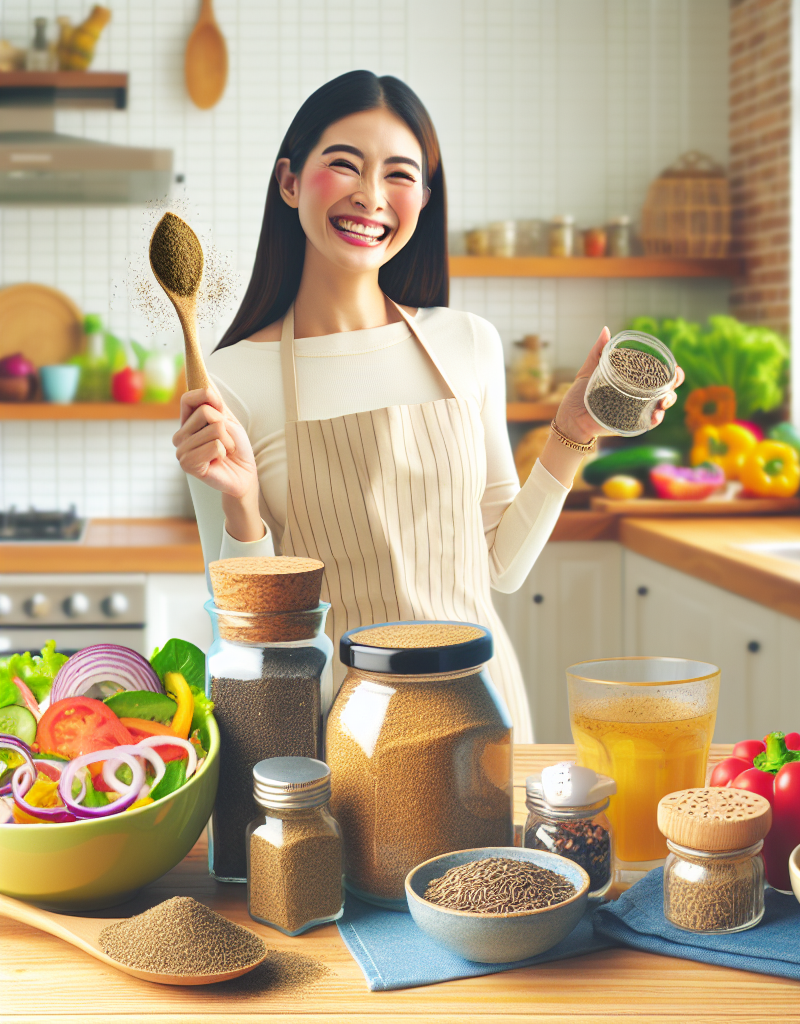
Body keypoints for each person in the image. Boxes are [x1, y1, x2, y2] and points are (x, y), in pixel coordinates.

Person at [174, 71, 682, 741]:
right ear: (290, 182)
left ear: (424, 198)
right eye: (345, 165)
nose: (371, 196)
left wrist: (571, 430)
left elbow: (501, 566)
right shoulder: (231, 382)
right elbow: (247, 623)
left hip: (484, 713)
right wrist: (240, 505)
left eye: (399, 175)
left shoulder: (467, 344)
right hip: (343, 733)